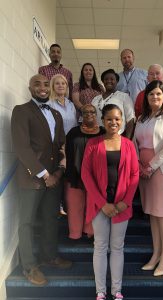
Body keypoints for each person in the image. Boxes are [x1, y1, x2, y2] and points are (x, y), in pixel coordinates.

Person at [11, 74, 72, 286]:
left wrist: (58, 173)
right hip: (32, 178)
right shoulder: (21, 111)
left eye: (46, 84)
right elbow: (21, 147)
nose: (43, 88)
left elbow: (61, 145)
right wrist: (45, 174)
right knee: (26, 222)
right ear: (30, 88)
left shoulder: (56, 114)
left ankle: (49, 256)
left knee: (50, 219)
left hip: (54, 178)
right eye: (37, 84)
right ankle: (29, 266)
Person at [81, 104, 139, 300]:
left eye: (117, 119)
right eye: (109, 119)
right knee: (100, 246)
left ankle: (116, 291)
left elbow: (134, 175)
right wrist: (102, 202)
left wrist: (125, 202)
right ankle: (100, 291)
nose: (113, 122)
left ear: (122, 120)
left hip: (122, 204)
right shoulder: (93, 144)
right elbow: (85, 174)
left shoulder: (129, 145)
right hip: (99, 205)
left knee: (117, 247)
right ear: (102, 121)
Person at [134, 80, 163, 277]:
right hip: (143, 169)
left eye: (159, 94)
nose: (155, 97)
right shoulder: (141, 118)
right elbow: (134, 143)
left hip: (161, 168)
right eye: (151, 94)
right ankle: (155, 254)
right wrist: (138, 165)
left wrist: (150, 167)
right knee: (152, 213)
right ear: (146, 97)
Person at [65, 104, 105, 239]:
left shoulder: (103, 132)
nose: (89, 114)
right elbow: (67, 153)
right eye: (85, 112)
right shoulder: (73, 132)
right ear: (81, 115)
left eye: (92, 112)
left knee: (93, 205)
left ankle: (90, 232)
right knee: (75, 206)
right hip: (75, 174)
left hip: (95, 176)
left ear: (97, 114)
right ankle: (75, 234)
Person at [48, 74, 78, 215]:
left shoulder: (71, 104)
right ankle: (58, 206)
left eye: (63, 83)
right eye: (57, 83)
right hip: (57, 146)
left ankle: (67, 206)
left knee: (68, 176)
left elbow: (74, 124)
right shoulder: (49, 104)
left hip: (70, 145)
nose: (61, 86)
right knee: (58, 174)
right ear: (53, 86)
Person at [92, 69, 135, 139]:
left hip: (118, 137)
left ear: (117, 81)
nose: (109, 81)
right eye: (106, 79)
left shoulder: (124, 97)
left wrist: (127, 140)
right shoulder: (95, 99)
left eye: (112, 79)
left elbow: (130, 120)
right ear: (103, 81)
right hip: (98, 137)